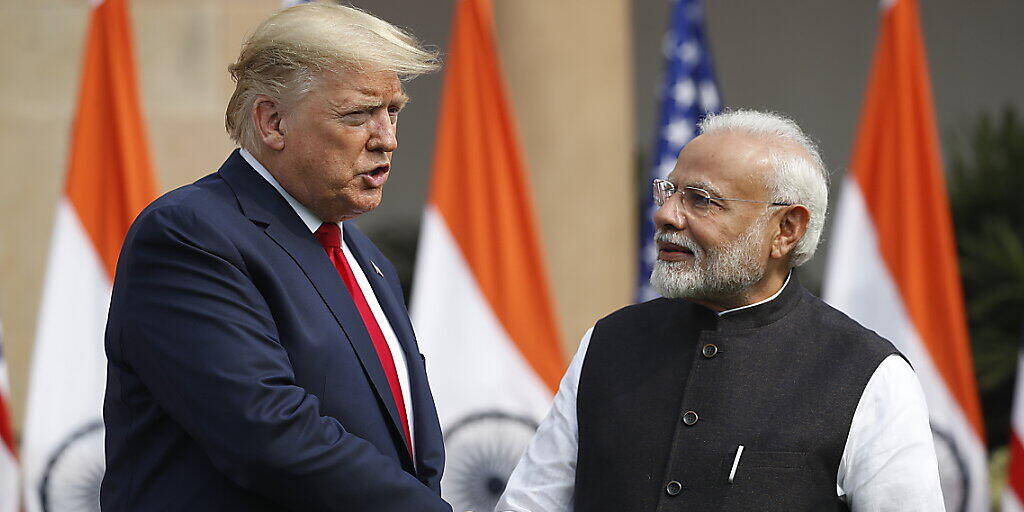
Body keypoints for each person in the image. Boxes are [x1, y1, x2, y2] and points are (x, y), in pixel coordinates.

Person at [497, 110, 944, 511]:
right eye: (669, 192)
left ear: (786, 230)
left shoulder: (866, 373)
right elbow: (529, 503)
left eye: (701, 200)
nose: (667, 215)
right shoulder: (610, 342)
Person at [101, 4, 452, 511]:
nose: (388, 139)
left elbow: (408, 439)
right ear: (272, 121)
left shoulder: (362, 254)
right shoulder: (190, 234)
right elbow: (268, 434)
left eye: (392, 110)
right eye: (358, 114)